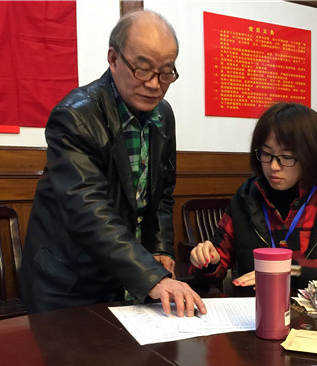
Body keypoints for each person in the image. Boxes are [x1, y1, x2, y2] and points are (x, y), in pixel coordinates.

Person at [20, 10, 206, 318]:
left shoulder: (163, 115)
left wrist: (160, 249)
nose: (154, 84)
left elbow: (161, 194)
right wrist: (152, 276)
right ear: (113, 58)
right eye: (143, 69)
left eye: (165, 72)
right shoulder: (75, 116)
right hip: (68, 282)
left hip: (124, 276)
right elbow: (88, 211)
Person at [190, 102, 317, 290]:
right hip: (255, 305)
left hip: (315, 307)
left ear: (311, 157)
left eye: (286, 157)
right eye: (266, 154)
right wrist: (208, 261)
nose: (273, 166)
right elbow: (218, 259)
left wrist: (294, 271)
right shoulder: (246, 198)